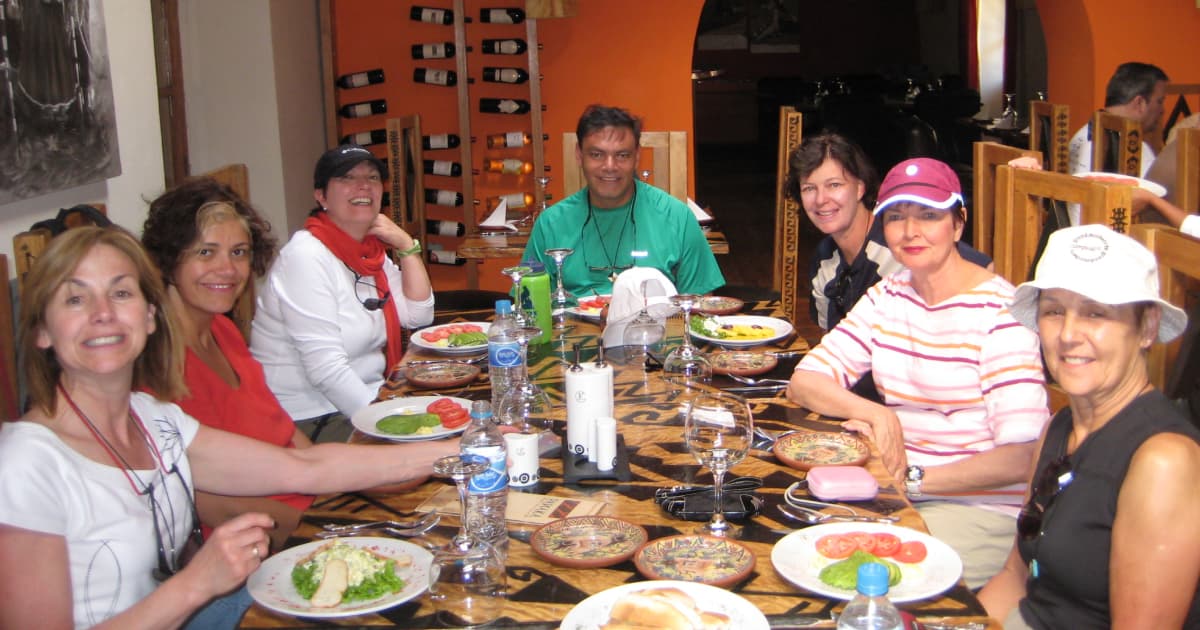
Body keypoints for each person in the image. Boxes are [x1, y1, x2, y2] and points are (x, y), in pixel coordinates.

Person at [0, 227, 459, 629]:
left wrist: (463, 449)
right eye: (76, 298)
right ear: (42, 330)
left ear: (149, 315)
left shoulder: (153, 419)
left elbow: (302, 466)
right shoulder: (25, 463)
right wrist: (196, 585)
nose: (103, 312)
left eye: (121, 293)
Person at [787, 158, 1051, 589]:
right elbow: (806, 380)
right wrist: (880, 416)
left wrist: (911, 477)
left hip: (977, 509)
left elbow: (1024, 458)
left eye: (929, 215)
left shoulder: (1001, 313)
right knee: (802, 549)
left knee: (859, 583)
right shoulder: (890, 294)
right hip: (896, 493)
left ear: (958, 224)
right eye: (896, 216)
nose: (911, 231)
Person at [978, 224, 1200, 629]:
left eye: (1096, 313)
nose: (1067, 335)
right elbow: (1014, 577)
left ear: (1147, 328)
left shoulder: (1164, 461)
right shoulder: (1059, 428)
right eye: (1054, 311)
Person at [141, 178, 314, 554]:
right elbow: (213, 507)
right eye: (206, 252)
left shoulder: (223, 328)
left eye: (239, 252)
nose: (228, 269)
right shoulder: (152, 361)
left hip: (304, 514)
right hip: (251, 551)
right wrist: (325, 530)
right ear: (169, 260)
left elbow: (287, 435)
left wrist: (342, 498)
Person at [251, 144, 434, 441]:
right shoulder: (306, 256)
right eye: (347, 178)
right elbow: (326, 371)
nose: (363, 185)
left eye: (373, 178)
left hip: (368, 397)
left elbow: (418, 315)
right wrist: (389, 427)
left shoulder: (369, 252)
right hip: (309, 417)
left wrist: (405, 245)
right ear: (321, 196)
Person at [785, 132, 991, 332]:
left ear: (860, 188)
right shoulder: (824, 259)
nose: (821, 199)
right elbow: (830, 341)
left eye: (834, 185)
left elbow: (982, 269)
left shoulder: (902, 244)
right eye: (809, 188)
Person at [522, 104, 725, 297]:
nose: (610, 166)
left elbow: (701, 303)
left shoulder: (678, 218)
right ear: (579, 155)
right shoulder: (550, 224)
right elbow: (528, 301)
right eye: (596, 154)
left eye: (622, 155)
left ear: (637, 157)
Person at [1067, 62, 1168, 177]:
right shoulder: (1133, 147)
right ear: (1139, 103)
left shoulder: (1083, 134)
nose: (1162, 110)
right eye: (1159, 101)